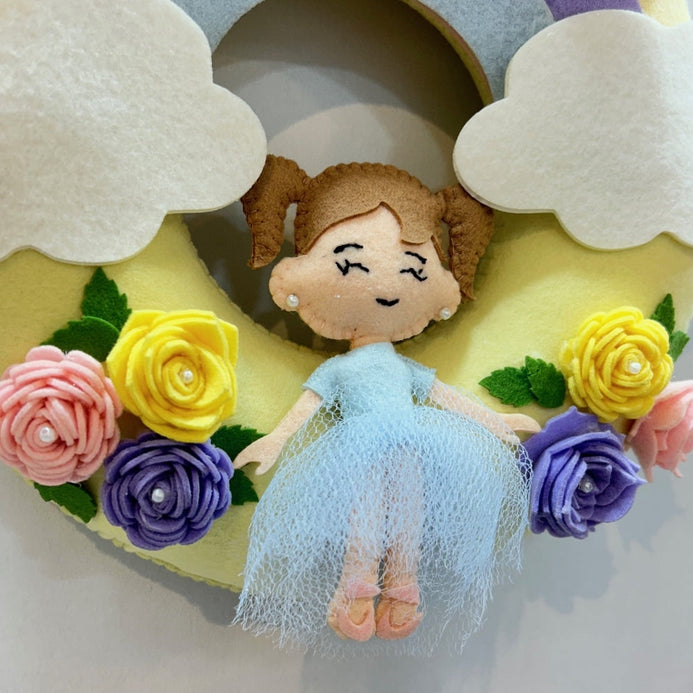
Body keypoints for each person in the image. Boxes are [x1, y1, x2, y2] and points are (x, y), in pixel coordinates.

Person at [233, 156, 537, 655]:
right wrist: (275, 441)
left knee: (410, 518)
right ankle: (354, 589)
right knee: (367, 517)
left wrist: (494, 420)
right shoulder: (341, 370)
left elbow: (443, 396)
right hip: (360, 451)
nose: (389, 285)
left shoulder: (404, 368)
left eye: (414, 269)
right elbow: (309, 404)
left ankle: (403, 590)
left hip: (417, 445)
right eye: (351, 263)